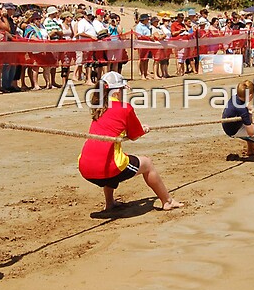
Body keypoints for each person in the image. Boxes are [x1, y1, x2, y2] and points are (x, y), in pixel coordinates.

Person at [78, 71, 183, 211]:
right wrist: (143, 129)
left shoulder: (98, 107)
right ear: (116, 93)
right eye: (122, 90)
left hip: (84, 167)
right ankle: (167, 201)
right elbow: (134, 136)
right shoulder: (125, 108)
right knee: (147, 163)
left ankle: (110, 203)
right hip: (107, 169)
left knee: (111, 155)